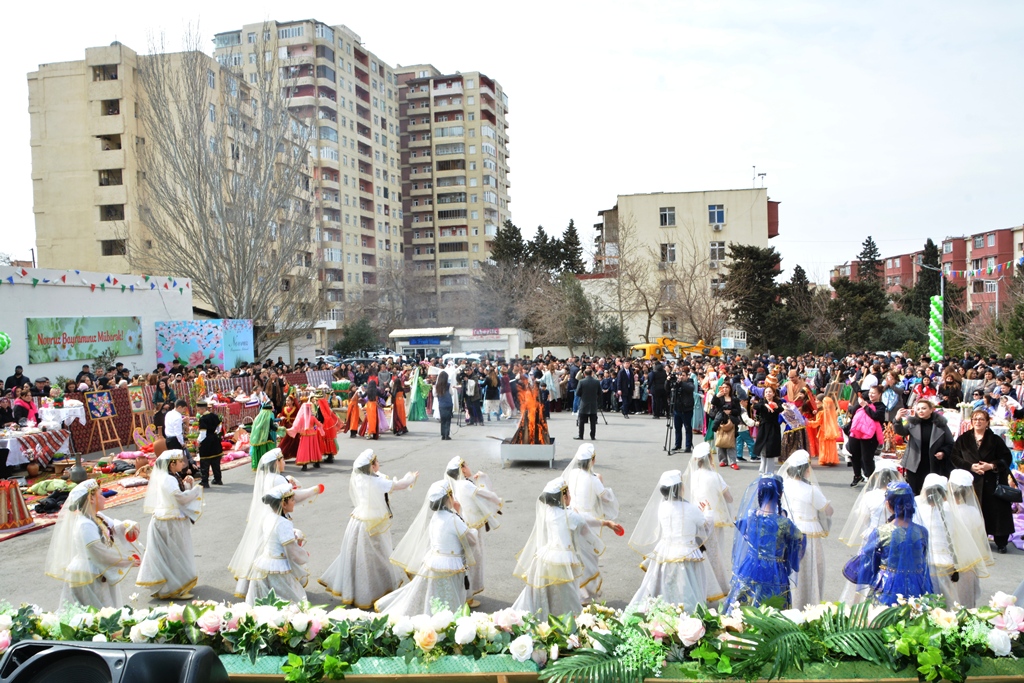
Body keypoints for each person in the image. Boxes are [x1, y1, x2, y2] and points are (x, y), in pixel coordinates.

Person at [318, 450, 418, 608]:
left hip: (358, 520)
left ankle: (356, 590)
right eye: (376, 461)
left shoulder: (360, 478)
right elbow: (400, 485)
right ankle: (374, 591)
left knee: (357, 556)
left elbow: (380, 478)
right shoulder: (376, 482)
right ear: (371, 466)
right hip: (373, 524)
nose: (379, 463)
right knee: (376, 558)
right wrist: (411, 477)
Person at [511, 477, 619, 619]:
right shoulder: (572, 516)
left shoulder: (549, 512)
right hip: (564, 560)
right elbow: (586, 531)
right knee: (567, 597)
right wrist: (602, 529)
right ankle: (568, 623)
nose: (570, 496)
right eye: (568, 492)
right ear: (563, 496)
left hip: (545, 556)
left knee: (543, 591)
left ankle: (539, 618)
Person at [229, 449, 323, 597]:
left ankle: (251, 583)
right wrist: (313, 490)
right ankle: (280, 586)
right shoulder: (278, 480)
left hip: (266, 516)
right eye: (283, 460)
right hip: (277, 517)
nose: (284, 462)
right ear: (276, 462)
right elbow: (294, 496)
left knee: (263, 550)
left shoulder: (267, 477)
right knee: (278, 552)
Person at [376, 480, 475, 617]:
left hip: (433, 562)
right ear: (448, 498)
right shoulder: (454, 519)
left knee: (435, 597)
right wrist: (460, 513)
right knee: (450, 599)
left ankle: (434, 621)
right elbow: (472, 540)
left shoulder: (436, 516)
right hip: (451, 565)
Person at [45, 479, 141, 608]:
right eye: (100, 494)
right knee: (96, 612)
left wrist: (128, 526)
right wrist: (125, 561)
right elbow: (99, 552)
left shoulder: (97, 516)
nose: (104, 498)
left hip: (97, 569)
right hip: (88, 573)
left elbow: (113, 526)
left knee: (105, 610)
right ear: (91, 499)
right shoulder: (85, 525)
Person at [627, 470, 709, 612]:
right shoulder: (690, 508)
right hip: (686, 552)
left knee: (662, 583)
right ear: (680, 488)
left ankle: (662, 609)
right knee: (686, 586)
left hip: (665, 550)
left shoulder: (662, 507)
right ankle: (686, 612)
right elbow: (704, 524)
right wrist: (708, 511)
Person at [843, 482, 933, 606]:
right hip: (916, 585)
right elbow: (922, 558)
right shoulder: (922, 532)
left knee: (883, 619)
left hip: (887, 586)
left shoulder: (881, 532)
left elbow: (868, 559)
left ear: (888, 505)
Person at [726, 475, 805, 608]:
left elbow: (745, 531)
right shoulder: (784, 523)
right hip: (775, 572)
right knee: (773, 606)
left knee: (742, 605)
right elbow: (798, 540)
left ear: (759, 493)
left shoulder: (751, 516)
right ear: (780, 494)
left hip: (750, 566)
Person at [914, 473, 989, 607]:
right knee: (947, 602)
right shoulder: (952, 510)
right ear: (944, 495)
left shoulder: (918, 508)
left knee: (924, 602)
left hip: (923, 561)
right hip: (947, 563)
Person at [136, 450, 202, 599]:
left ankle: (172, 586)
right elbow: (179, 497)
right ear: (172, 464)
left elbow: (176, 493)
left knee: (171, 553)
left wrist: (187, 484)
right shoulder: (168, 479)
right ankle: (175, 588)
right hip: (170, 521)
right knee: (175, 554)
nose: (183, 464)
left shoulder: (172, 476)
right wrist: (195, 491)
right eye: (180, 461)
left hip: (170, 519)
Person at [563, 444, 623, 602]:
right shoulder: (594, 479)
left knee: (578, 555)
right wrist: (603, 484)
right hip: (589, 521)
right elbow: (606, 498)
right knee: (590, 559)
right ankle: (586, 595)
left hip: (573, 517)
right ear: (593, 460)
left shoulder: (573, 473)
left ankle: (578, 591)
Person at [950, 409, 1015, 553]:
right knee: (973, 511)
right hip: (971, 481)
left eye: (981, 419)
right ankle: (976, 539)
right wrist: (970, 467)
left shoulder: (995, 440)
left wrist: (990, 466)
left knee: (997, 513)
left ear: (987, 422)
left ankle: (1001, 542)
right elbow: (955, 457)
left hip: (993, 481)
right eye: (975, 419)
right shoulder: (963, 438)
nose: (978, 422)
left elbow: (1006, 458)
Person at [778, 450, 834, 608]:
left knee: (791, 569)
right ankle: (807, 603)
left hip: (789, 531)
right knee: (809, 571)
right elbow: (828, 510)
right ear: (805, 470)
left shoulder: (784, 485)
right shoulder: (811, 490)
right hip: (809, 532)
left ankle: (789, 603)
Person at [445, 456, 502, 605]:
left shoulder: (458, 484)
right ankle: (467, 596)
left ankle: (465, 594)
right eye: (467, 465)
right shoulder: (465, 485)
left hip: (467, 524)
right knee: (473, 560)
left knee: (469, 559)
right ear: (462, 469)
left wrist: (479, 480)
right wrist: (496, 498)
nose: (469, 467)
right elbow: (486, 494)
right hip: (472, 528)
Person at [684, 443, 732, 602]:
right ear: (709, 458)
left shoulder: (694, 475)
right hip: (715, 519)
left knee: (702, 550)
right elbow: (729, 497)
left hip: (699, 519)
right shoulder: (715, 476)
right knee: (715, 553)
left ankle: (701, 583)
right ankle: (717, 586)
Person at [948, 469, 994, 607]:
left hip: (948, 562)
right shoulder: (973, 511)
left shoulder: (945, 510)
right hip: (968, 562)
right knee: (966, 601)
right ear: (969, 491)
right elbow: (978, 536)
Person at [893, 399, 955, 495]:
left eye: (924, 408)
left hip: (933, 462)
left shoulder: (940, 424)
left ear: (931, 410)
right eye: (918, 409)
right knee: (915, 491)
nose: (921, 411)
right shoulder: (912, 422)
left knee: (931, 492)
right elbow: (901, 431)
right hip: (914, 463)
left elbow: (950, 443)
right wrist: (897, 419)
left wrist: (943, 452)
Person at [847, 387, 886, 487]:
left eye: (874, 393)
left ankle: (871, 479)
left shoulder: (880, 406)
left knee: (867, 458)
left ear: (879, 394)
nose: (871, 395)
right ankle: (857, 475)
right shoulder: (865, 402)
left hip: (870, 436)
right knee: (854, 455)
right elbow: (853, 410)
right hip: (856, 432)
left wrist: (865, 406)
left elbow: (876, 416)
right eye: (870, 393)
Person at [752, 386, 784, 474]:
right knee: (763, 450)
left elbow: (781, 409)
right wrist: (765, 404)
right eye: (766, 392)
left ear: (774, 393)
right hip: (763, 427)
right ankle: (762, 471)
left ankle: (769, 472)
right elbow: (756, 406)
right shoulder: (762, 402)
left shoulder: (778, 402)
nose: (768, 393)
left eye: (770, 392)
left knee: (770, 451)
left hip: (773, 428)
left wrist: (776, 406)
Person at [288, 401, 324, 472]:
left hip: (304, 436)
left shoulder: (301, 418)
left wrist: (289, 430)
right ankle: (317, 462)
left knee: (304, 449)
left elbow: (296, 427)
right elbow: (319, 425)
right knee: (314, 448)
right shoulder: (313, 417)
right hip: (313, 435)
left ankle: (304, 465)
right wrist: (314, 429)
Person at [195, 400, 224, 488]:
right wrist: (215, 433)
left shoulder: (203, 419)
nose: (198, 412)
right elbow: (219, 427)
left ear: (201, 409)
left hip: (206, 442)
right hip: (215, 440)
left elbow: (203, 433)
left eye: (198, 410)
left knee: (205, 462)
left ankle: (205, 481)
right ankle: (218, 479)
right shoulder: (214, 416)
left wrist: (198, 441)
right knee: (216, 461)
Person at [807, 396, 842, 467]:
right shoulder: (834, 413)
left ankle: (825, 459)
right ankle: (831, 459)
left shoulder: (821, 413)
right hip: (832, 432)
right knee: (831, 446)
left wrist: (808, 422)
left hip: (823, 431)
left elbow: (817, 423)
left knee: (823, 446)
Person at [668, 368, 695, 452]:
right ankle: (677, 445)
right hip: (677, 409)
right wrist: (667, 381)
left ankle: (688, 446)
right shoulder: (676, 383)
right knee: (677, 428)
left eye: (683, 375)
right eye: (680, 375)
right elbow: (667, 389)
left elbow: (690, 389)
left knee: (687, 428)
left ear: (687, 376)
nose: (681, 377)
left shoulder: (690, 382)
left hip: (687, 409)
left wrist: (681, 383)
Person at [573, 367, 602, 441]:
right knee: (593, 421)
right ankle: (593, 436)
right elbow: (600, 393)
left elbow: (577, 393)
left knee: (581, 421)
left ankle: (581, 435)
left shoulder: (581, 382)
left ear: (584, 374)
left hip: (584, 403)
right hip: (593, 403)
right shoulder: (596, 382)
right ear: (592, 374)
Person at [316, 396, 340, 463]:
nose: (315, 402)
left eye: (316, 401)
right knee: (329, 440)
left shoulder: (320, 408)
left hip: (324, 426)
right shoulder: (326, 408)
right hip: (329, 425)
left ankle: (325, 456)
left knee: (324, 440)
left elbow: (320, 418)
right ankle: (330, 456)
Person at [434, 371, 454, 440]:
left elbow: (435, 394)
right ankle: (446, 435)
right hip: (448, 404)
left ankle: (443, 434)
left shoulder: (437, 386)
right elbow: (452, 393)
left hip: (441, 404)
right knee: (448, 420)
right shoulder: (448, 385)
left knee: (443, 420)